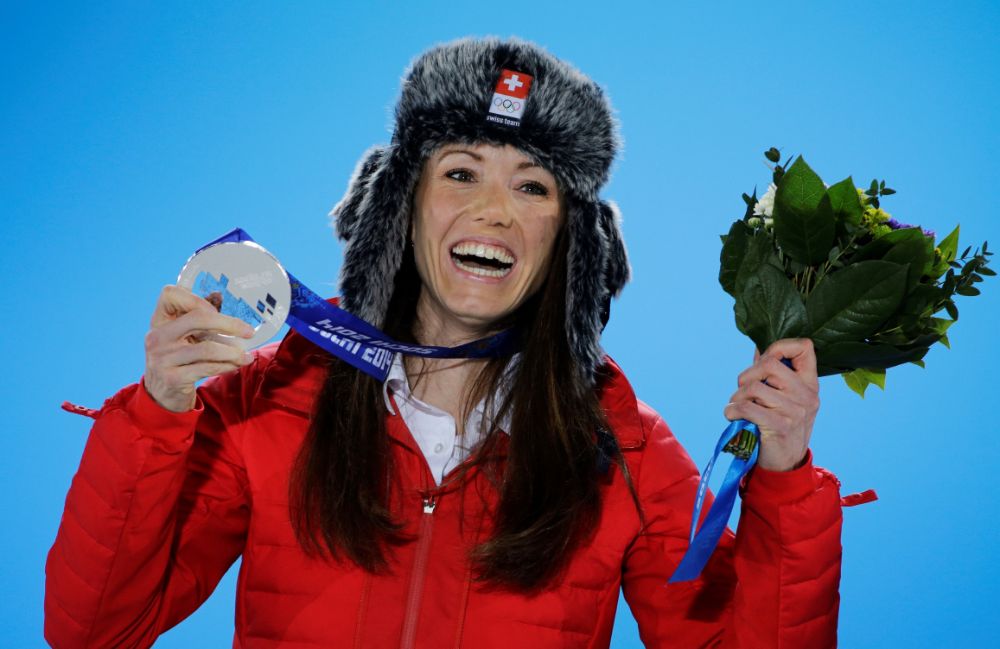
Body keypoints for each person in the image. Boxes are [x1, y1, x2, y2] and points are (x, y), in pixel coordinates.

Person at [45, 38, 843, 648]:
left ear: (569, 240)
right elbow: (95, 630)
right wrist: (156, 416)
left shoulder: (623, 448)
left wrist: (780, 482)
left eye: (532, 186)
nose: (494, 210)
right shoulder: (271, 404)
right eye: (461, 173)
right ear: (403, 203)